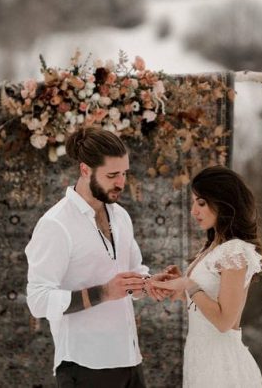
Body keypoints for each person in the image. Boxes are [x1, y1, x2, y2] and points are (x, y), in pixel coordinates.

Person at [25, 126, 172, 387]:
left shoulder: (121, 216)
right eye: (112, 175)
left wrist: (148, 283)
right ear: (85, 169)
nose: (121, 182)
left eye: (124, 173)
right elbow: (37, 300)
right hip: (84, 366)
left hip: (130, 360)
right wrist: (103, 293)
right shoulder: (56, 224)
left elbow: (134, 271)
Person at [149, 165, 262, 387]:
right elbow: (205, 302)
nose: (194, 211)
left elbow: (223, 321)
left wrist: (188, 283)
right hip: (200, 356)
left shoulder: (234, 251)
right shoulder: (212, 247)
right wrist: (180, 289)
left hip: (221, 363)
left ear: (222, 202)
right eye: (194, 202)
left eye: (201, 203)